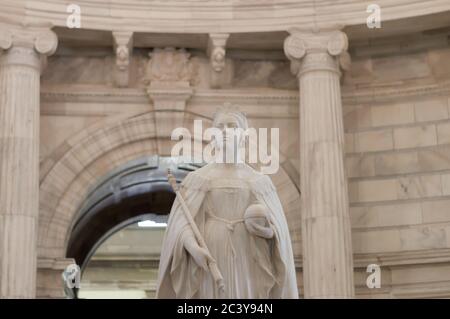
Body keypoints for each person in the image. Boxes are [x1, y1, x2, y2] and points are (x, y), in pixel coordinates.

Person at [156, 106, 298, 298]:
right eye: (220, 127)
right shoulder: (197, 179)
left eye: (232, 126)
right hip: (210, 251)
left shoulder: (259, 181)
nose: (225, 132)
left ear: (244, 137)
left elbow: (278, 231)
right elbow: (182, 224)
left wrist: (266, 230)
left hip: (247, 253)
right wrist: (194, 248)